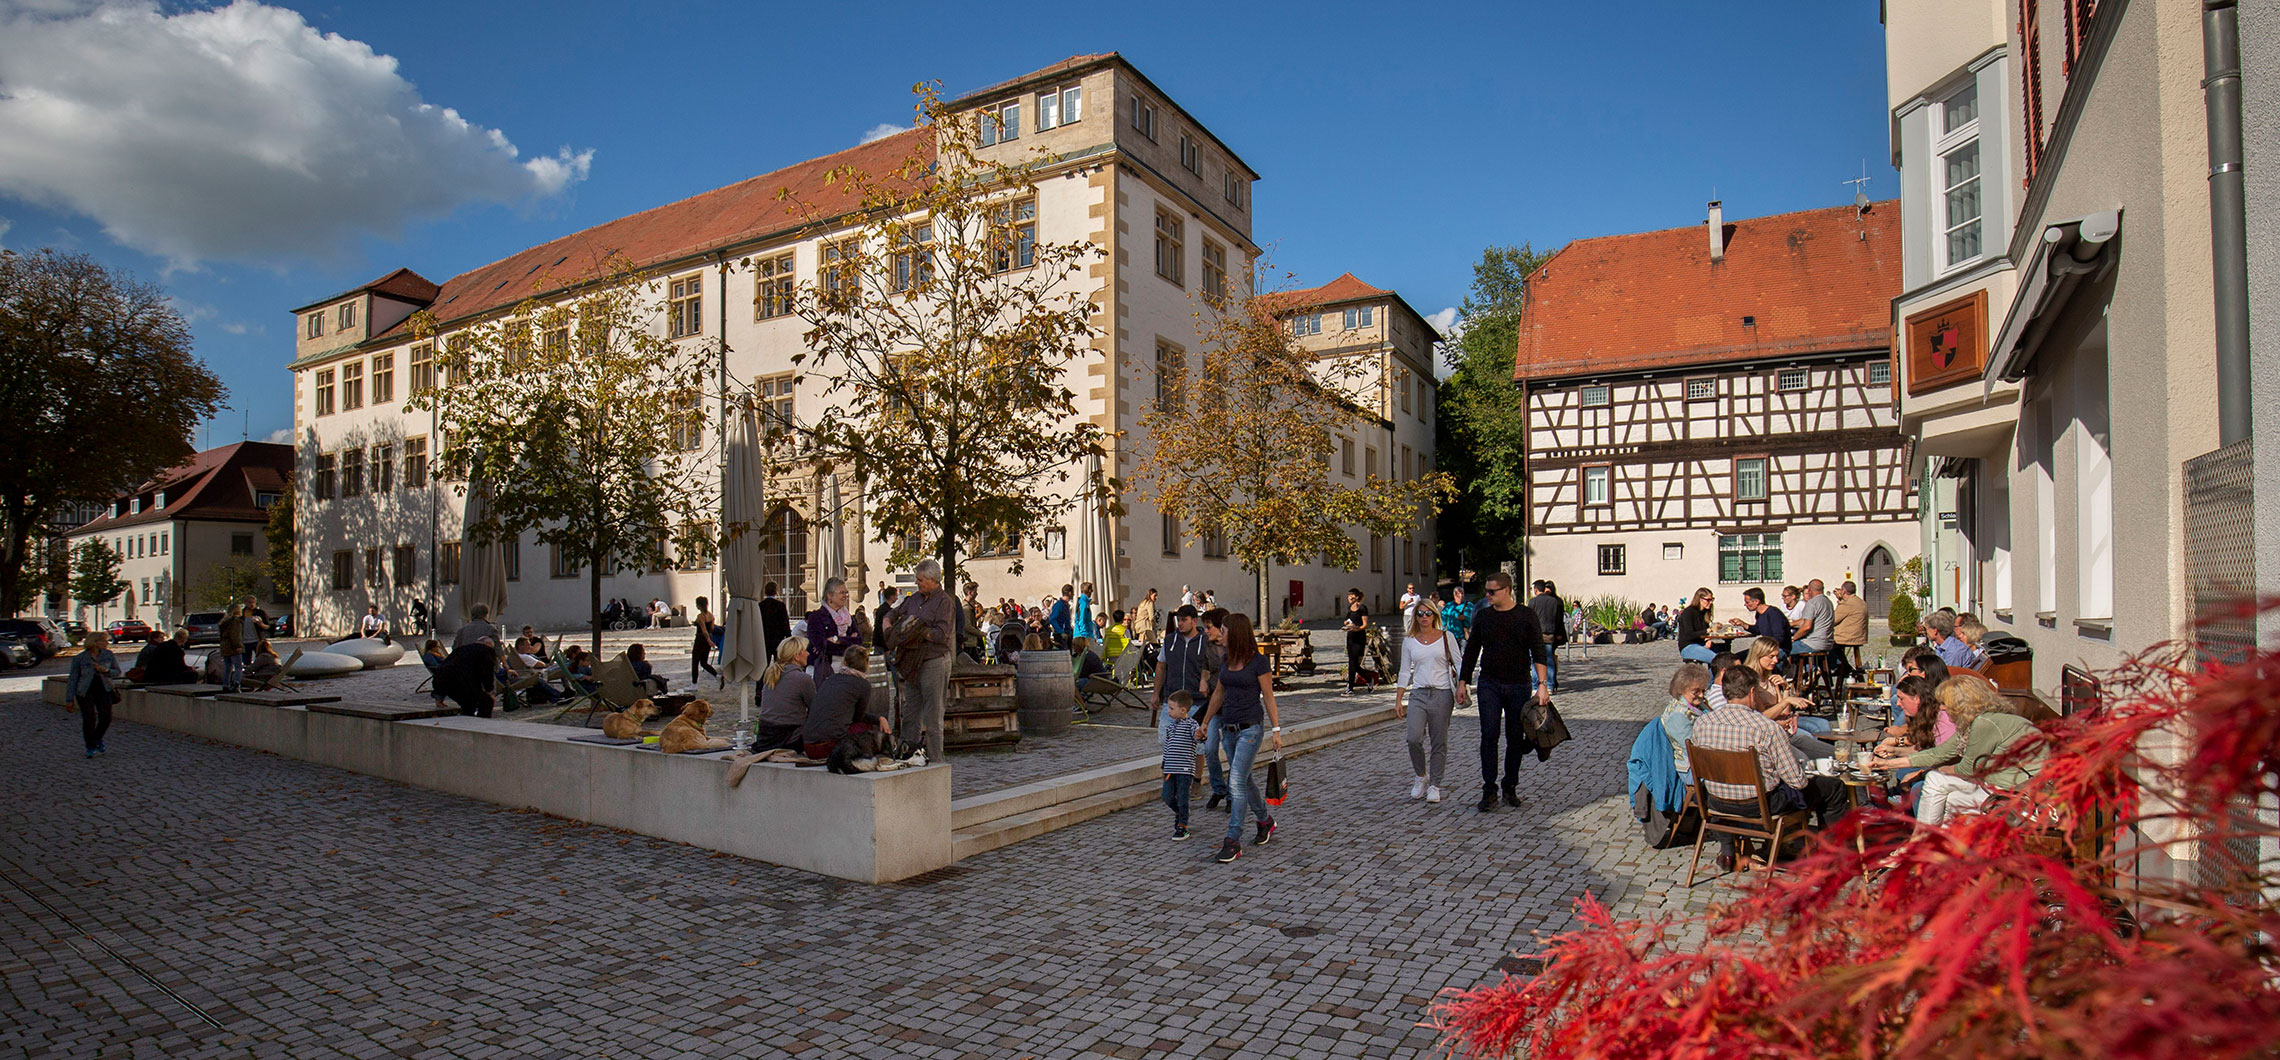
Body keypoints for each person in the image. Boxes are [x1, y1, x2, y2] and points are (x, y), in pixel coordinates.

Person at [1689, 667, 1853, 867]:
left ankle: (1740, 849)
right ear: (1751, 692)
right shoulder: (1766, 728)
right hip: (1759, 805)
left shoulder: (1702, 723)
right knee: (1833, 787)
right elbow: (1797, 781)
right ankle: (1829, 854)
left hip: (1715, 802)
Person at [1870, 676, 2042, 827]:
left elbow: (1967, 769)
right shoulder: (1975, 723)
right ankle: (1941, 851)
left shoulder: (1985, 724)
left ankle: (1921, 845)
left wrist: (1935, 771)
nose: (1942, 709)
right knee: (1949, 799)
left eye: (1945, 704)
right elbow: (1939, 753)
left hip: (2021, 793)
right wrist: (1887, 763)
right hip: (2001, 786)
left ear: (1962, 704)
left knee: (1936, 779)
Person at [1458, 570, 1552, 813]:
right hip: (1489, 683)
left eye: (1492, 591)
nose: (1487, 595)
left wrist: (1542, 685)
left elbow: (1538, 651)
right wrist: (1463, 681)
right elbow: (1471, 650)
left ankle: (1510, 785)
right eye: (1486, 591)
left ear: (1507, 590)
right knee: (1489, 734)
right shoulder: (1483, 616)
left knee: (1514, 737)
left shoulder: (1526, 615)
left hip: (1518, 684)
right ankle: (1489, 789)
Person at [1196, 613, 1280, 864]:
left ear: (1236, 632)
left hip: (1250, 729)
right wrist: (1206, 721)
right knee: (1244, 779)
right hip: (1228, 729)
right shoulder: (1226, 660)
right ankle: (1265, 821)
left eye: (1223, 630)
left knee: (1235, 782)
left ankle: (1233, 840)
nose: (1220, 634)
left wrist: (1277, 731)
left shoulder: (1258, 662)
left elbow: (1268, 696)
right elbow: (1218, 693)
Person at [886, 558, 956, 759]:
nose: (917, 583)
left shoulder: (944, 602)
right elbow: (894, 613)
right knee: (910, 714)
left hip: (934, 662)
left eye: (921, 580)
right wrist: (887, 623)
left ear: (934, 580)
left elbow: (942, 635)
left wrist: (917, 630)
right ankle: (909, 756)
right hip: (912, 663)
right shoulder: (914, 599)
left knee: (933, 717)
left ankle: (936, 760)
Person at [1395, 603, 1464, 804]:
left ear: (1434, 615)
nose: (1424, 617)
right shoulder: (1409, 642)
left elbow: (1459, 663)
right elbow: (1405, 671)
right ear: (1415, 617)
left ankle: (1435, 784)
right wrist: (1399, 698)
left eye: (1428, 613)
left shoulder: (1446, 637)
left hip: (1442, 694)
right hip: (1418, 693)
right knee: (1413, 738)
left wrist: (1461, 685)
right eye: (1420, 614)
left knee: (1438, 740)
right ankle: (1421, 775)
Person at [800, 646, 879, 759]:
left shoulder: (831, 679)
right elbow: (858, 717)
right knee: (869, 728)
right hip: (831, 746)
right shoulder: (863, 684)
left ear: (845, 662)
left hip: (808, 745)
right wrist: (878, 719)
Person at [66, 631, 122, 758]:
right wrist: (69, 699)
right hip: (85, 691)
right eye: (104, 641)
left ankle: (97, 738)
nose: (107, 643)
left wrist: (105, 670)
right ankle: (90, 745)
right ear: (95, 642)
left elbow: (117, 672)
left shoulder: (108, 655)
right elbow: (73, 679)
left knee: (106, 717)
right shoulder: (80, 658)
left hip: (104, 689)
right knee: (89, 718)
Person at [753, 635, 814, 751]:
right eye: (805, 650)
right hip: (788, 737)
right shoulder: (802, 678)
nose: (808, 653)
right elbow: (815, 708)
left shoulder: (771, 674)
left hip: (765, 735)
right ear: (796, 656)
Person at [803, 577, 867, 683]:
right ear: (829, 595)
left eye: (846, 593)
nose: (845, 596)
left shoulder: (848, 618)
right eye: (841, 593)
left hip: (846, 667)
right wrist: (849, 640)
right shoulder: (817, 617)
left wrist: (838, 640)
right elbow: (822, 645)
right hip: (823, 668)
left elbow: (859, 641)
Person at [1659, 661, 1714, 781]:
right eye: (1696, 692)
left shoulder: (1699, 705)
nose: (1701, 695)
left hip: (1707, 757)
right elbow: (1691, 748)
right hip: (1692, 768)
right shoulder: (1678, 716)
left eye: (1703, 691)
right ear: (1681, 689)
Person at [1159, 690, 1200, 840]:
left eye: (1171, 708)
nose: (1168, 711)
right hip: (1170, 769)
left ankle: (1182, 825)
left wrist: (1200, 735)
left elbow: (1197, 737)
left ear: (1183, 710)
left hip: (1184, 769)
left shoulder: (1191, 724)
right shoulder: (1170, 727)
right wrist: (1164, 764)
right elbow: (1168, 747)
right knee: (1167, 796)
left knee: (1182, 796)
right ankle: (1181, 812)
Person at [436, 636, 501, 718]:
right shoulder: (486, 651)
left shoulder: (461, 649)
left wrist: (439, 696)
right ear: (488, 644)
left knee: (468, 704)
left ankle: (468, 721)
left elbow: (444, 668)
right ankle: (481, 725)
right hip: (462, 681)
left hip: (444, 680)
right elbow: (487, 673)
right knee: (487, 702)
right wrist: (490, 692)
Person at [1528, 581, 1565, 693]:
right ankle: (1549, 685)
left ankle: (1535, 686)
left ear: (1536, 590)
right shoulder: (1553, 601)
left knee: (1535, 661)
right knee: (1549, 660)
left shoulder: (1533, 602)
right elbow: (1557, 618)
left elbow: (1529, 619)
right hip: (1549, 634)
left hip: (1536, 635)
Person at [1831, 580, 1870, 680]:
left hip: (1846, 636)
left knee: (1826, 646)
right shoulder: (1861, 601)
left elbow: (1833, 619)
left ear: (1843, 591)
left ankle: (1845, 668)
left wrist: (1840, 602)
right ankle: (1844, 667)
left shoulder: (1847, 604)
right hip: (1859, 636)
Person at [1741, 588, 1792, 654]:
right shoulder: (1759, 614)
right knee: (1738, 657)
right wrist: (1743, 624)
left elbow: (1779, 637)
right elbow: (1758, 630)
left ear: (1756, 601)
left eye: (1747, 602)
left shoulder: (1774, 613)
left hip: (1778, 650)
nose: (1745, 605)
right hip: (1767, 648)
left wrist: (1764, 647)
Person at [1674, 588, 1717, 663]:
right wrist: (1707, 630)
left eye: (1712, 599)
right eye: (1708, 600)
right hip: (1688, 646)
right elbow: (1689, 634)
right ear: (1700, 599)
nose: (1710, 602)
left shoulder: (1705, 613)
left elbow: (1703, 634)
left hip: (1701, 644)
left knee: (1725, 655)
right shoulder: (1688, 612)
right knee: (1717, 660)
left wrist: (1707, 640)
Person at [1341, 588, 1370, 695]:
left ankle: (1352, 686)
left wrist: (1357, 628)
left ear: (1357, 597)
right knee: (1351, 662)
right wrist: (1347, 624)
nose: (1350, 597)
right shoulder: (1349, 608)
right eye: (1348, 596)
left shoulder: (1362, 608)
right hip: (1350, 636)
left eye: (1352, 595)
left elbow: (1365, 624)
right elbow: (1348, 620)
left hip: (1359, 637)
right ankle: (1354, 685)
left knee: (1354, 663)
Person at [757, 582, 791, 661]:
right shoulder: (780, 605)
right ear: (776, 591)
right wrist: (788, 636)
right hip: (778, 638)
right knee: (778, 662)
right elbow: (785, 622)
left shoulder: (760, 605)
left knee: (764, 662)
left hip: (764, 638)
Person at [217, 603, 246, 692]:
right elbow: (235, 635)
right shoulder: (235, 622)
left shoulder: (224, 622)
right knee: (238, 667)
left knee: (227, 667)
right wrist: (238, 646)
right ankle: (237, 684)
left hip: (225, 647)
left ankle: (226, 685)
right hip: (233, 647)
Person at [690, 595, 720, 684]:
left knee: (695, 661)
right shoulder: (710, 615)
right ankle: (717, 675)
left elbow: (704, 630)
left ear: (699, 605)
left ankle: (694, 684)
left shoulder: (701, 616)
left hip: (700, 639)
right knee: (704, 662)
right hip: (707, 640)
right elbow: (711, 628)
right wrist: (710, 640)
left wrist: (708, 640)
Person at [1132, 588, 1160, 677]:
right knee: (1153, 648)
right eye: (1155, 595)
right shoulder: (1150, 603)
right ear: (1150, 594)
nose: (1156, 598)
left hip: (1139, 627)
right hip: (1146, 628)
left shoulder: (1142, 603)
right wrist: (1154, 627)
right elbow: (1151, 617)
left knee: (1142, 650)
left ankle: (1143, 671)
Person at [1072, 581, 1098, 646]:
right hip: (1082, 634)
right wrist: (1084, 636)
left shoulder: (1084, 602)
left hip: (1086, 633)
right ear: (1089, 590)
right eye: (1091, 590)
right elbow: (1082, 619)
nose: (1092, 592)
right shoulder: (1083, 603)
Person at [1049, 584, 1074, 649]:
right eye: (1073, 593)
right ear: (1070, 593)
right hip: (1060, 636)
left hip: (1066, 635)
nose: (1073, 594)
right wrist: (1061, 632)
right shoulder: (1059, 605)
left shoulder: (1065, 605)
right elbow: (1052, 619)